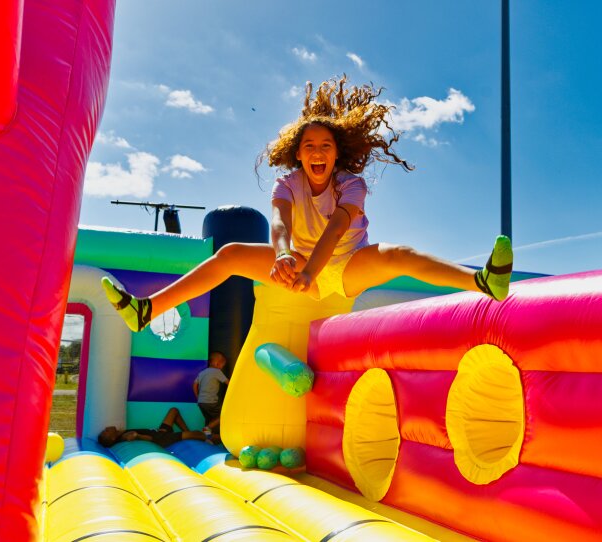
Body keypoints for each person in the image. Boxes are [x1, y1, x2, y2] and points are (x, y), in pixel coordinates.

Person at [101, 75, 513, 333]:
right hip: (299, 261)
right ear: (298, 154)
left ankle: (481, 281)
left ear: (337, 154)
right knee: (229, 255)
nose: (317, 152)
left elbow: (336, 229)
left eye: (326, 146)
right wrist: (283, 257)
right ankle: (147, 309)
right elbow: (279, 223)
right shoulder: (287, 183)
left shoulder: (351, 185)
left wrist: (311, 271)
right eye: (309, 146)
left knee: (399, 254)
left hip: (345, 265)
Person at [97, 406, 218, 448]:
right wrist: (137, 436)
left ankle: (198, 434)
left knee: (173, 411)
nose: (105, 429)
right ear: (112, 438)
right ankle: (209, 437)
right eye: (105, 432)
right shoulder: (124, 436)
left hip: (159, 433)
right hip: (161, 439)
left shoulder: (121, 432)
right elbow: (143, 439)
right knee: (197, 434)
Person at [194, 351, 230, 435]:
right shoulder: (217, 371)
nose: (221, 368)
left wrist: (198, 397)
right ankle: (208, 428)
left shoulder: (202, 372)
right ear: (217, 364)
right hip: (211, 402)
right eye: (222, 366)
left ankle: (207, 437)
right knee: (224, 415)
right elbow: (228, 383)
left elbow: (194, 385)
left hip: (201, 402)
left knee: (209, 419)